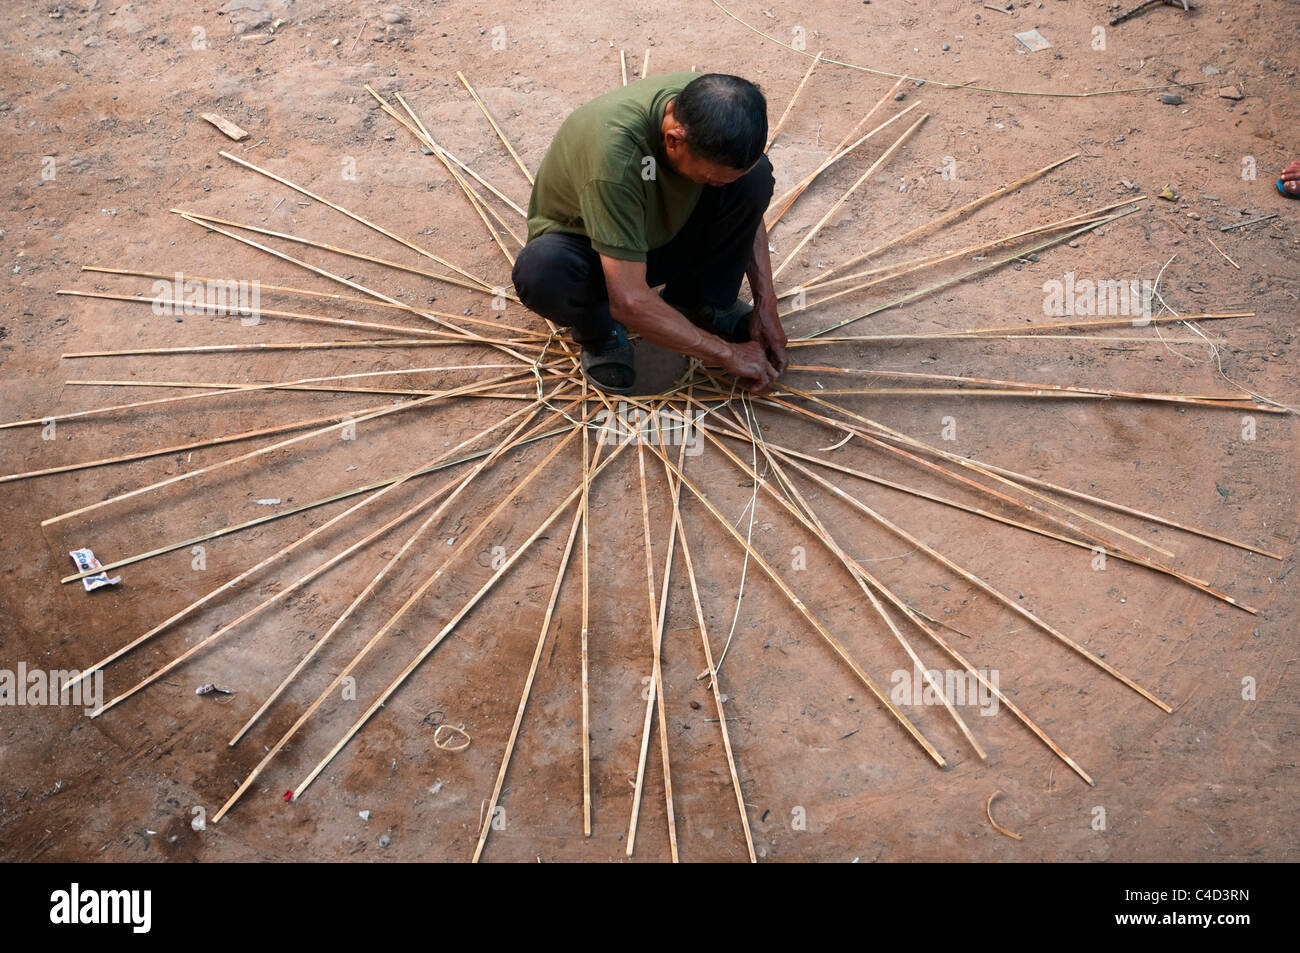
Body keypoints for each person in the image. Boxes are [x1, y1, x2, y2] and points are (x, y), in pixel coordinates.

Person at [511, 72, 788, 394]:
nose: (718, 185)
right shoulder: (616, 158)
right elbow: (628, 300)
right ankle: (600, 331)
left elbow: (747, 212)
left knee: (754, 182)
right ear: (673, 139)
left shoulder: (715, 107)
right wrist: (727, 353)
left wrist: (767, 306)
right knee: (543, 270)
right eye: (713, 178)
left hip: (656, 233)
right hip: (595, 253)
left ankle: (700, 301)